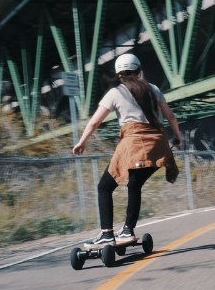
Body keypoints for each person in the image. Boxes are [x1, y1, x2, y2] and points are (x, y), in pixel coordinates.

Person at [73, 53, 181, 247]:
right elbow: (170, 116)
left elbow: (95, 121)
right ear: (139, 70)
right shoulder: (153, 89)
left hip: (134, 143)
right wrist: (177, 137)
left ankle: (107, 233)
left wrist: (82, 142)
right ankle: (127, 230)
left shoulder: (116, 92)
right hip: (158, 144)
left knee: (104, 187)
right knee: (134, 185)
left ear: (118, 73)